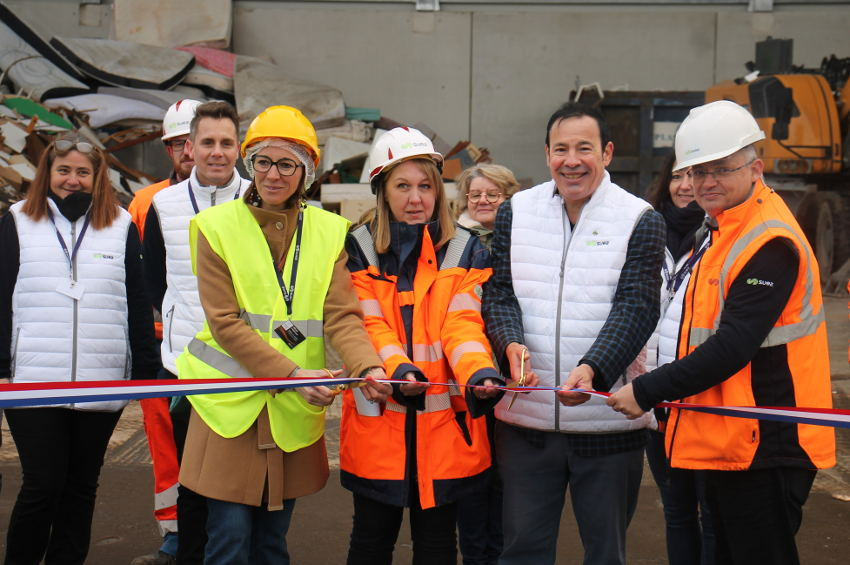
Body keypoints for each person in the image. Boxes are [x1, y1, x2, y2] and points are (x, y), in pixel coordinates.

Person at [608, 100, 836, 565]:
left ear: (756, 168)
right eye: (695, 171)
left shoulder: (769, 241)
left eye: (719, 169)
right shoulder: (721, 230)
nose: (703, 182)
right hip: (731, 437)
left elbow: (732, 345)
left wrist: (647, 390)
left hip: (769, 444)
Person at [175, 105, 390, 564]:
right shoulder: (215, 228)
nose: (274, 174)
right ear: (250, 165)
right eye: (264, 162)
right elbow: (225, 323)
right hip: (228, 407)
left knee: (273, 542)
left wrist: (368, 365)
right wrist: (294, 373)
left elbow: (342, 317)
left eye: (287, 164)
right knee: (229, 539)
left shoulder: (331, 233)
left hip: (290, 410)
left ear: (306, 172)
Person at [482, 102, 665, 565]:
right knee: (522, 549)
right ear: (546, 155)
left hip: (607, 423)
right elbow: (500, 292)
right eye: (560, 148)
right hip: (527, 421)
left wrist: (593, 368)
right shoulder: (516, 212)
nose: (572, 160)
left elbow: (637, 307)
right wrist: (510, 344)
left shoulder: (640, 218)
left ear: (606, 152)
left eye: (584, 148)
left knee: (605, 553)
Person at [341, 127, 512, 565]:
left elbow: (463, 323)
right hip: (380, 427)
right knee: (370, 544)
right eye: (403, 186)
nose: (416, 198)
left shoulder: (465, 250)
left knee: (436, 548)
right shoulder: (359, 248)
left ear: (438, 190)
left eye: (425, 186)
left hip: (444, 435)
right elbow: (369, 324)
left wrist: (479, 373)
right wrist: (398, 369)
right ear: (382, 191)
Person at [0, 132, 160, 564]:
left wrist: (146, 367)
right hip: (33, 382)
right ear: (48, 173)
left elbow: (137, 300)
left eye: (82, 172)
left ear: (97, 177)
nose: (73, 180)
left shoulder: (122, 224)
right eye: (64, 170)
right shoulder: (17, 220)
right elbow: (1, 295)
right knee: (42, 484)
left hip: (100, 380)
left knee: (81, 486)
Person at [143, 100, 251, 564]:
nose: (217, 152)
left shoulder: (258, 198)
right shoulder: (163, 205)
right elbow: (155, 281)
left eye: (227, 143)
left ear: (239, 148)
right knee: (192, 479)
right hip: (185, 367)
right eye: (207, 142)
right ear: (189, 146)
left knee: (240, 481)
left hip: (246, 369)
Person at [130, 98, 201, 565]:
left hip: (222, 345)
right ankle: (175, 536)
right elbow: (136, 276)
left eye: (191, 141)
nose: (186, 152)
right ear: (168, 149)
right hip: (162, 345)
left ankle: (221, 533)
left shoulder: (240, 195)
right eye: (176, 144)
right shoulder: (146, 202)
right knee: (165, 444)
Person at [642, 153, 714, 564]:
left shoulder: (718, 235)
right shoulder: (645, 231)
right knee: (676, 509)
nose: (685, 185)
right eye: (677, 176)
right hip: (656, 394)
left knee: (710, 512)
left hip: (703, 395)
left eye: (694, 174)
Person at [452, 163, 520, 565]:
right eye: (475, 195)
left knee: (508, 474)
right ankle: (476, 554)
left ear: (509, 197)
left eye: (492, 194)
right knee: (473, 472)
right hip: (471, 371)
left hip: (514, 372)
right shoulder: (455, 244)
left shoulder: (523, 241)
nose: (482, 201)